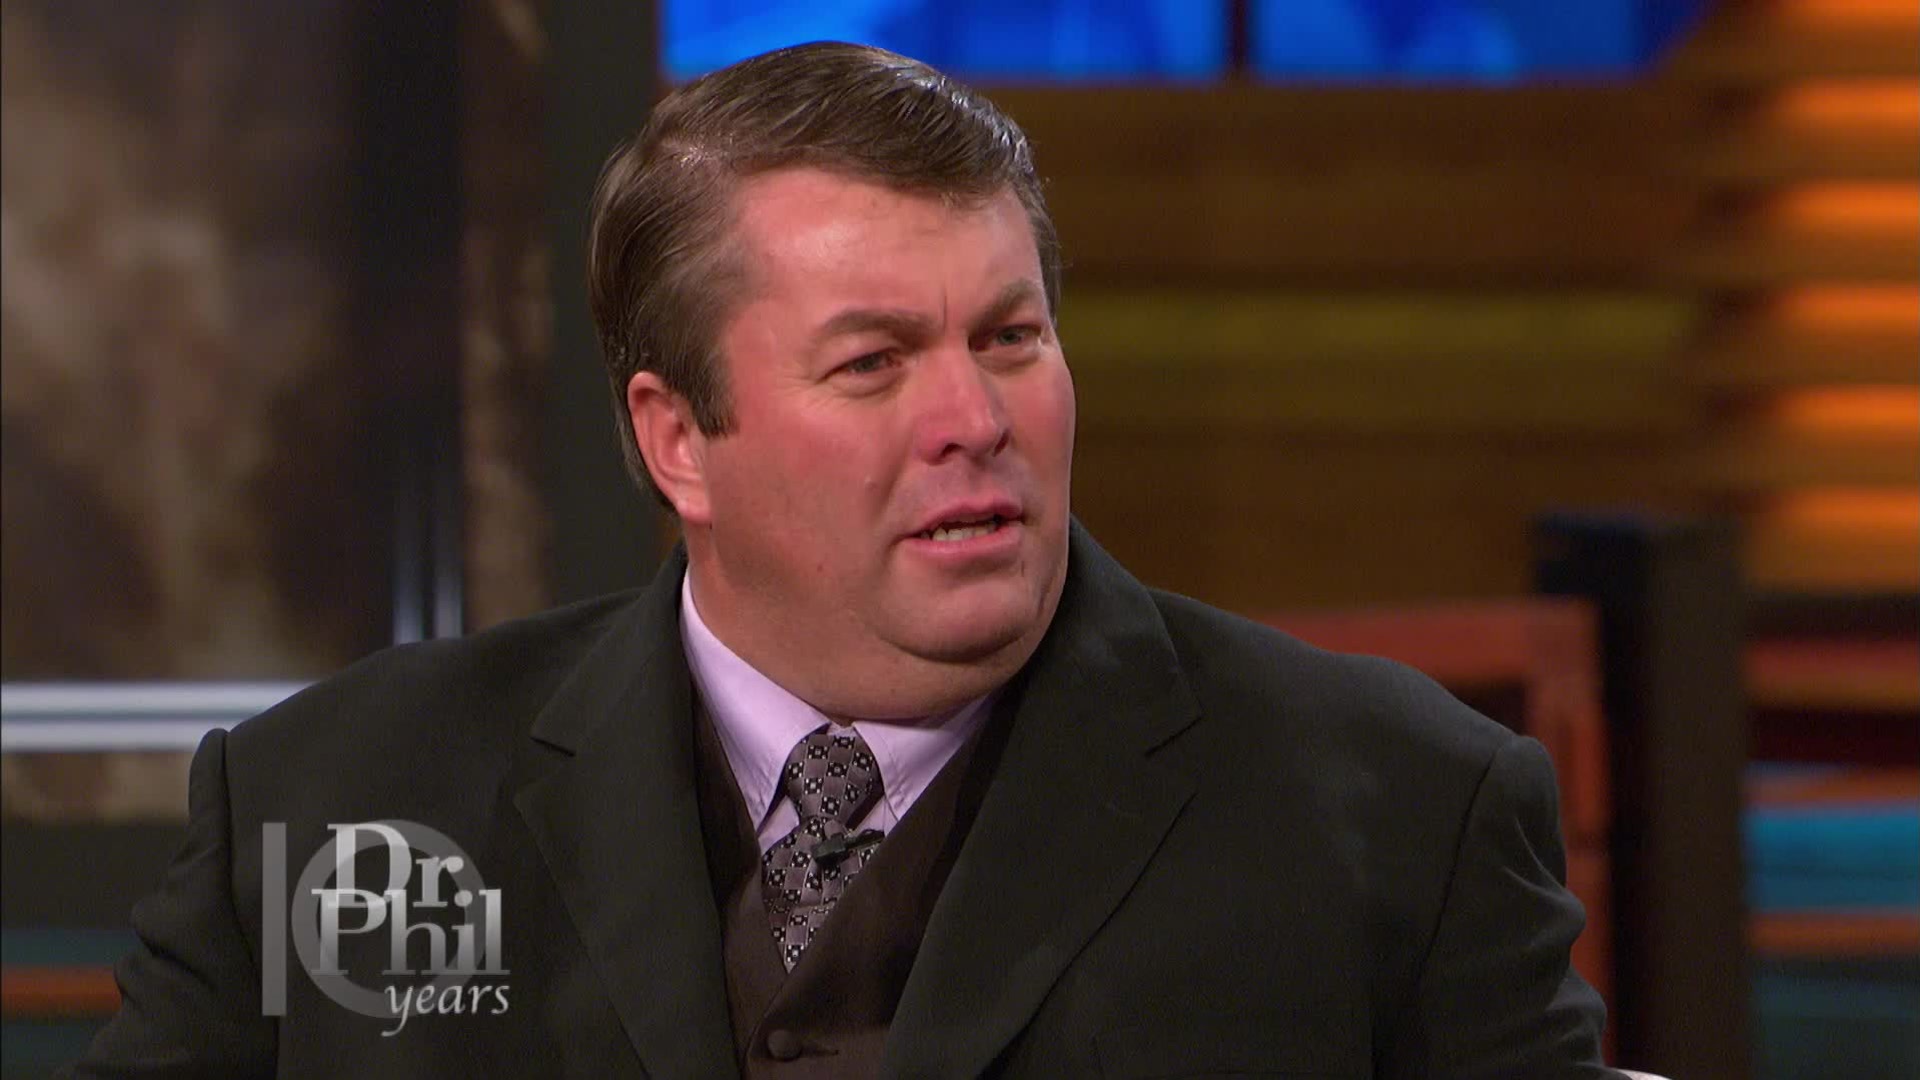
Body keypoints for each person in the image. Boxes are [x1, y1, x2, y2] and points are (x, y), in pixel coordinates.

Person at [72, 41, 1615, 1078]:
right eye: (873, 363)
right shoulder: (340, 806)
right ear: (678, 439)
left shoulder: (1401, 821)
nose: (974, 420)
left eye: (1009, 338)